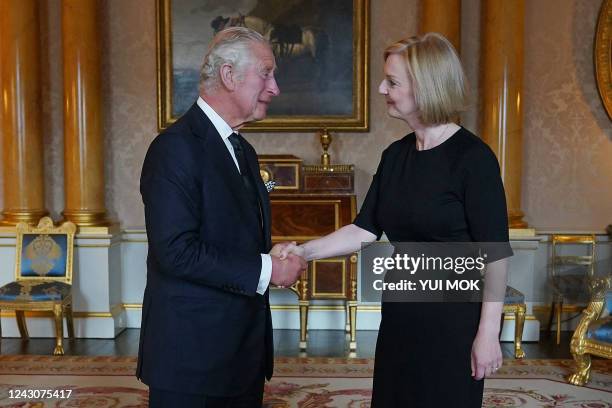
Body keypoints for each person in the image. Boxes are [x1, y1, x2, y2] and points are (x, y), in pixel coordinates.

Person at [277, 32, 513, 407]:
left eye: (393, 81)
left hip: (453, 320)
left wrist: (488, 333)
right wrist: (302, 252)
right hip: (402, 312)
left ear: (425, 87)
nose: (381, 87)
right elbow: (363, 228)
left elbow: (496, 254)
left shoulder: (473, 159)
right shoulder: (395, 156)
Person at [137, 27, 307, 407]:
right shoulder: (174, 149)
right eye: (266, 73)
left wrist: (267, 252)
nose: (275, 87)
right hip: (192, 360)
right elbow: (176, 251)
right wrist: (268, 270)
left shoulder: (242, 149)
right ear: (229, 76)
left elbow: (231, 234)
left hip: (240, 355)